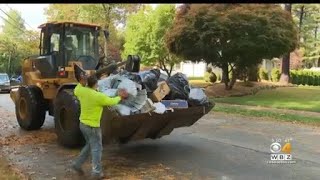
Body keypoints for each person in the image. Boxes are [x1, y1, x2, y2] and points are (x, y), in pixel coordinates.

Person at [71, 74, 128, 179]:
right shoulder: (97, 96)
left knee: (89, 145)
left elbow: (76, 90)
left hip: (83, 124)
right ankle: (96, 172)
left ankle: (76, 164)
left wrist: (81, 83)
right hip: (93, 127)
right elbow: (111, 101)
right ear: (96, 84)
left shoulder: (81, 91)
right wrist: (120, 96)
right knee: (97, 148)